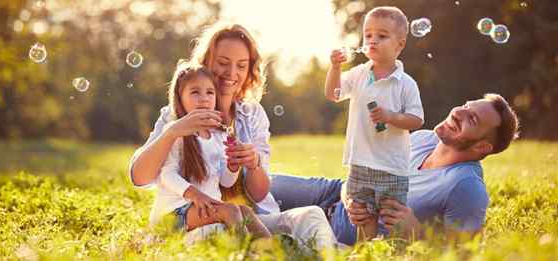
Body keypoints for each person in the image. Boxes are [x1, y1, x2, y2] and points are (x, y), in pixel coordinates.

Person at [129, 23, 336, 249]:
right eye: (223, 63)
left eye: (241, 65)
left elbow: (256, 194)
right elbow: (139, 177)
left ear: (249, 70)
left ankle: (324, 255)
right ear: (206, 63)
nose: (231, 73)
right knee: (226, 231)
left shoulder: (252, 114)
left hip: (250, 218)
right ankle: (268, 251)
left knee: (312, 215)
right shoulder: (177, 115)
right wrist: (172, 132)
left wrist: (249, 164)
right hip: (200, 222)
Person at [270, 94, 519, 245]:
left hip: (345, 232)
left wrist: (416, 234)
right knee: (255, 183)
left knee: (256, 221)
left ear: (482, 146)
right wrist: (349, 195)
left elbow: (462, 254)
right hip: (334, 192)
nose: (458, 112)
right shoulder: (423, 139)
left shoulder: (466, 187)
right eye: (466, 105)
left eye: (472, 119)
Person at [324, 6, 424, 240]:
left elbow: (417, 120)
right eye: (368, 35)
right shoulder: (359, 74)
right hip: (360, 161)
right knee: (363, 215)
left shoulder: (405, 84)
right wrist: (335, 68)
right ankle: (366, 251)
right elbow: (334, 93)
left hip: (392, 165)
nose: (372, 40)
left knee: (392, 215)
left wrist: (391, 117)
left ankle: (400, 251)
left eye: (381, 36)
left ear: (399, 45)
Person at [150, 62, 270, 237]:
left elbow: (226, 182)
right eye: (195, 92)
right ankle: (246, 252)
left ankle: (270, 249)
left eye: (210, 92)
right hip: (173, 214)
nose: (204, 98)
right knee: (230, 211)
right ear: (180, 98)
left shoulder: (218, 136)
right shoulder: (176, 132)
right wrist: (195, 195)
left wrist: (232, 166)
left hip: (204, 208)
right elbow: (166, 174)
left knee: (246, 212)